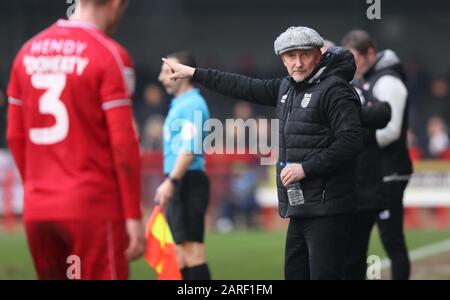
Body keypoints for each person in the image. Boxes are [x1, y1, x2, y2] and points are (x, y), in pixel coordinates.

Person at [163, 26, 363, 280]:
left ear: (318, 54)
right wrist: (194, 73)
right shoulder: (287, 88)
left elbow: (352, 142)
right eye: (291, 56)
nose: (298, 63)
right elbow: (242, 86)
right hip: (301, 208)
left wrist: (305, 168)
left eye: (305, 55)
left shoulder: (336, 90)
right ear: (282, 59)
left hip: (329, 209)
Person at [6, 0, 145, 280]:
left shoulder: (26, 53)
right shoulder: (110, 54)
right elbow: (124, 141)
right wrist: (132, 214)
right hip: (92, 208)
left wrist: (37, 191)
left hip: (39, 210)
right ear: (117, 4)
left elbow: (15, 136)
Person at [342, 29, 413, 280]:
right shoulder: (365, 80)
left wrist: (353, 143)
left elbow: (391, 131)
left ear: (369, 53)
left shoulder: (387, 81)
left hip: (390, 172)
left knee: (392, 239)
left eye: (355, 58)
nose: (352, 65)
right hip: (372, 175)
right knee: (357, 243)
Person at [156, 51, 211, 280]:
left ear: (184, 74)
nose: (161, 77)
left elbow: (189, 150)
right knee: (180, 252)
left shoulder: (192, 105)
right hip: (182, 181)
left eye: (167, 71)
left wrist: (171, 181)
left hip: (187, 181)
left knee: (192, 251)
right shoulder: (180, 104)